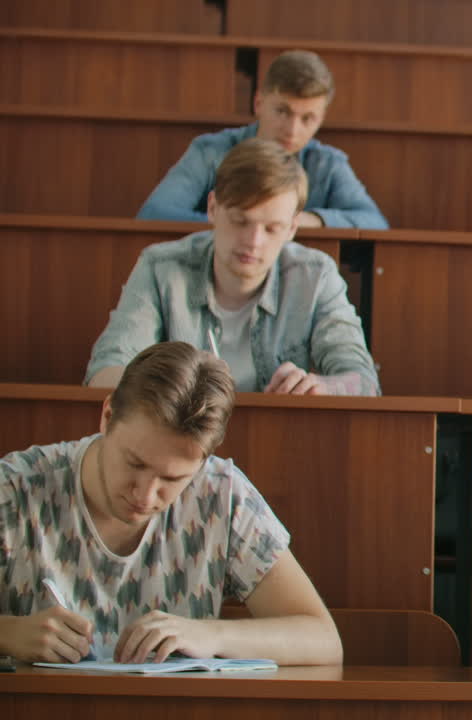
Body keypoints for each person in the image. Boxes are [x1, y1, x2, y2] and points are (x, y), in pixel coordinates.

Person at [0, 342, 343, 665]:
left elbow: (323, 639)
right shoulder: (15, 489)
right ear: (107, 416)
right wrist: (8, 633)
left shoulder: (222, 493)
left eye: (172, 479)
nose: (145, 496)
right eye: (134, 463)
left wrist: (211, 636)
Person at [88, 138, 380, 396]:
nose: (253, 241)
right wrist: (170, 388)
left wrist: (324, 388)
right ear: (213, 208)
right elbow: (103, 373)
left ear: (292, 227)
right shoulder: (160, 267)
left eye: (272, 228)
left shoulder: (316, 275)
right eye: (240, 221)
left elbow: (365, 383)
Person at [137, 49, 387, 229]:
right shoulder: (210, 151)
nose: (292, 129)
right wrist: (241, 223)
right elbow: (154, 214)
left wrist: (312, 220)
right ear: (259, 103)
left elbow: (375, 223)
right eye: (282, 111)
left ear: (321, 119)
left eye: (307, 118)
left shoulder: (328, 164)